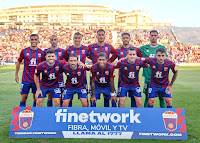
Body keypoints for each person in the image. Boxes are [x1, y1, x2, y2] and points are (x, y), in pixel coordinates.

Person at [110, 32, 142, 107]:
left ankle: (134, 116)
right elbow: (110, 61)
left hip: (134, 79)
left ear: (129, 39)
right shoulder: (118, 50)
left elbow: (142, 59)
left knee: (134, 99)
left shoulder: (136, 49)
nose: (125, 39)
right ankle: (120, 116)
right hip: (122, 80)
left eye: (126, 38)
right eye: (123, 38)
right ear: (121, 39)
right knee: (121, 101)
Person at [139, 30, 168, 108]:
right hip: (148, 77)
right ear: (149, 37)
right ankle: (146, 115)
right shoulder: (143, 48)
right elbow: (133, 54)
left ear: (158, 37)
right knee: (147, 97)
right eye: (152, 35)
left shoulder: (162, 48)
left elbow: (166, 60)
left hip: (160, 78)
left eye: (155, 35)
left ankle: (164, 115)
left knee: (162, 98)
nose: (153, 37)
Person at [87, 29, 116, 107]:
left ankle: (108, 114)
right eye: (99, 35)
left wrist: (109, 62)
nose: (101, 36)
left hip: (107, 73)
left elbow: (115, 53)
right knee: (93, 99)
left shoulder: (109, 46)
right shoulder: (91, 46)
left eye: (102, 35)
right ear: (96, 36)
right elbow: (84, 54)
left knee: (108, 98)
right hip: (96, 72)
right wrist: (92, 59)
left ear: (105, 36)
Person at [15, 34, 44, 107]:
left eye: (35, 40)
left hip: (36, 80)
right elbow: (18, 62)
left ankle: (35, 114)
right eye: (32, 40)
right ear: (29, 40)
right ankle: (21, 114)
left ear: (38, 41)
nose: (33, 41)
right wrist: (16, 75)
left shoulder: (42, 52)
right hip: (26, 79)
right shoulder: (24, 51)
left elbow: (44, 65)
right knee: (23, 97)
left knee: (36, 98)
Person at [43, 35, 67, 107]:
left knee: (61, 95)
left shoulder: (62, 51)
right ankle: (50, 112)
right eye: (52, 40)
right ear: (50, 41)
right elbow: (43, 63)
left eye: (55, 40)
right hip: (49, 78)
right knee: (50, 95)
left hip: (60, 77)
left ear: (57, 41)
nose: (53, 41)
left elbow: (66, 63)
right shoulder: (46, 51)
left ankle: (61, 112)